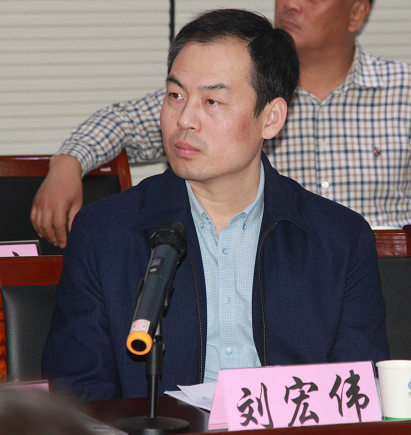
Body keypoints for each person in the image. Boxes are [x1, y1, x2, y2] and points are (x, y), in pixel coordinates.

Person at [42, 8, 388, 401]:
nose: (184, 119)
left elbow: (358, 397)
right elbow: (78, 394)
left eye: (212, 101)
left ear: (271, 118)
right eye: (175, 96)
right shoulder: (104, 233)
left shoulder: (341, 240)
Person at [30, 0, 411, 249]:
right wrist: (67, 163)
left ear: (357, 12)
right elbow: (122, 120)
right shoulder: (222, 93)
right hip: (267, 272)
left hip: (390, 275)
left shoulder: (403, 90)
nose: (290, 5)